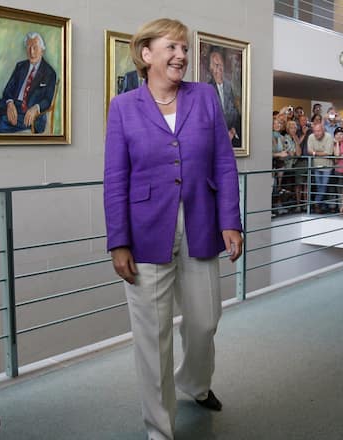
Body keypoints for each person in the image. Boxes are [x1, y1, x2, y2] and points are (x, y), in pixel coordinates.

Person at [103, 18, 243, 440]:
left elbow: (224, 160)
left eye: (184, 48)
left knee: (205, 321)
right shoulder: (124, 107)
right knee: (152, 337)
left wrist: (230, 220)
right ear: (146, 55)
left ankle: (194, 383)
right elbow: (115, 177)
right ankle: (159, 429)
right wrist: (118, 241)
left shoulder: (203, 98)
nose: (181, 55)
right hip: (145, 231)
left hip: (201, 222)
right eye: (172, 47)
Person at [0, 31, 57, 134]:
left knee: (2, 121)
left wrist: (35, 108)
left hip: (31, 115)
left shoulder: (49, 72)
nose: (31, 52)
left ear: (42, 50)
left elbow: (47, 100)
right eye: (29, 47)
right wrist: (10, 103)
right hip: (14, 106)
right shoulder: (20, 66)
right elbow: (8, 90)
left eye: (35, 47)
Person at [208, 47, 241, 147]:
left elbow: (236, 112)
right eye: (216, 65)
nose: (219, 68)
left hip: (233, 137)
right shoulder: (207, 88)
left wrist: (233, 130)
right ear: (210, 68)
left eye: (221, 65)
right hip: (215, 139)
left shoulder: (229, 86)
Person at [307, 122, 335, 213]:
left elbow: (328, 152)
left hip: (327, 166)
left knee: (324, 185)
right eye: (315, 131)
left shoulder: (329, 137)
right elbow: (309, 151)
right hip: (316, 165)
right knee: (319, 186)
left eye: (318, 131)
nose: (316, 133)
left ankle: (316, 203)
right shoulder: (311, 137)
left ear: (323, 130)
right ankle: (321, 206)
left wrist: (315, 153)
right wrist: (319, 153)